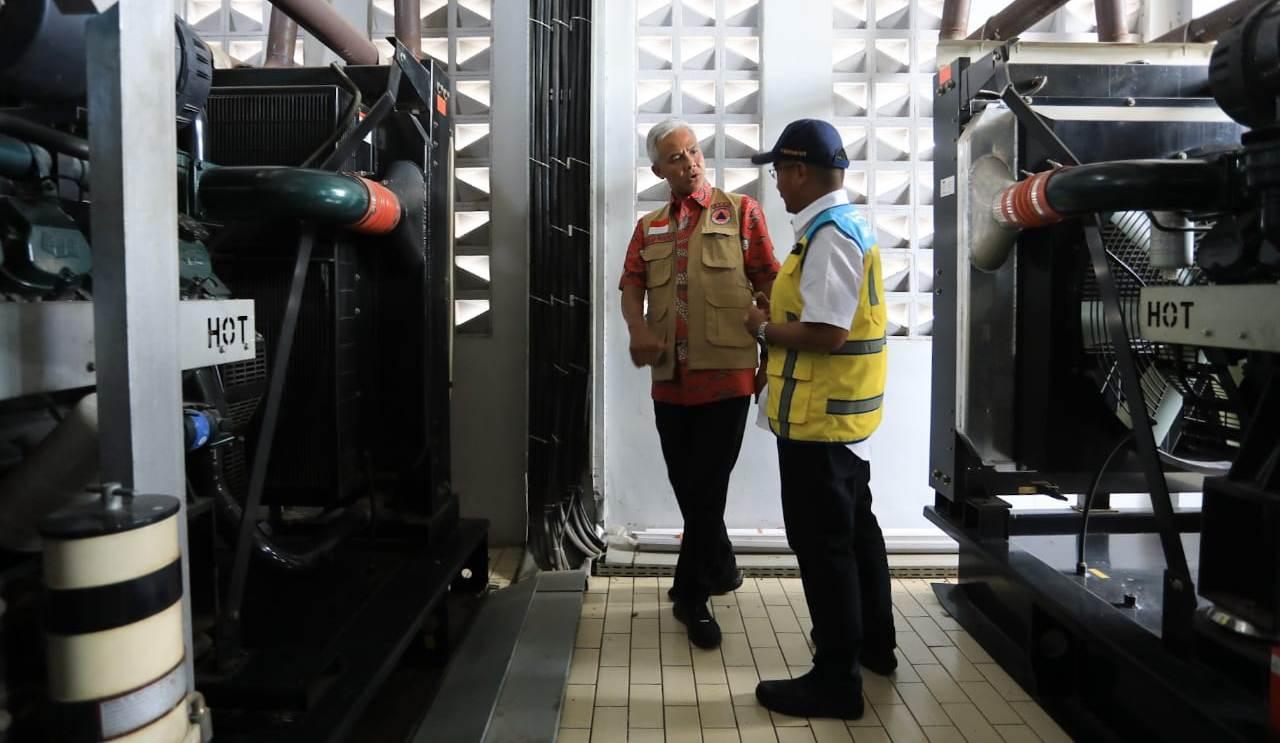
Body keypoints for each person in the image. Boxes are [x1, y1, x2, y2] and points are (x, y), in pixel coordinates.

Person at [743, 118, 895, 719]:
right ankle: (872, 646)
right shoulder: (845, 224)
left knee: (824, 547)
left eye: (779, 170)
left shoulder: (829, 234)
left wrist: (761, 327)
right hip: (842, 420)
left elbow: (828, 333)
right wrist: (775, 309)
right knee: (857, 533)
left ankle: (837, 681)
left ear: (801, 170)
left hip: (817, 420)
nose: (776, 183)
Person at [620, 117, 780, 649]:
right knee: (691, 486)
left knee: (708, 486)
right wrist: (638, 329)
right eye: (676, 157)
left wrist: (769, 358)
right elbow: (631, 285)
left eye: (693, 152)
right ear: (658, 169)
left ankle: (692, 596)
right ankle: (723, 563)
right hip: (670, 380)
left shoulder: (740, 213)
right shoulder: (649, 226)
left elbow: (770, 283)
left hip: (728, 377)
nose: (689, 162)